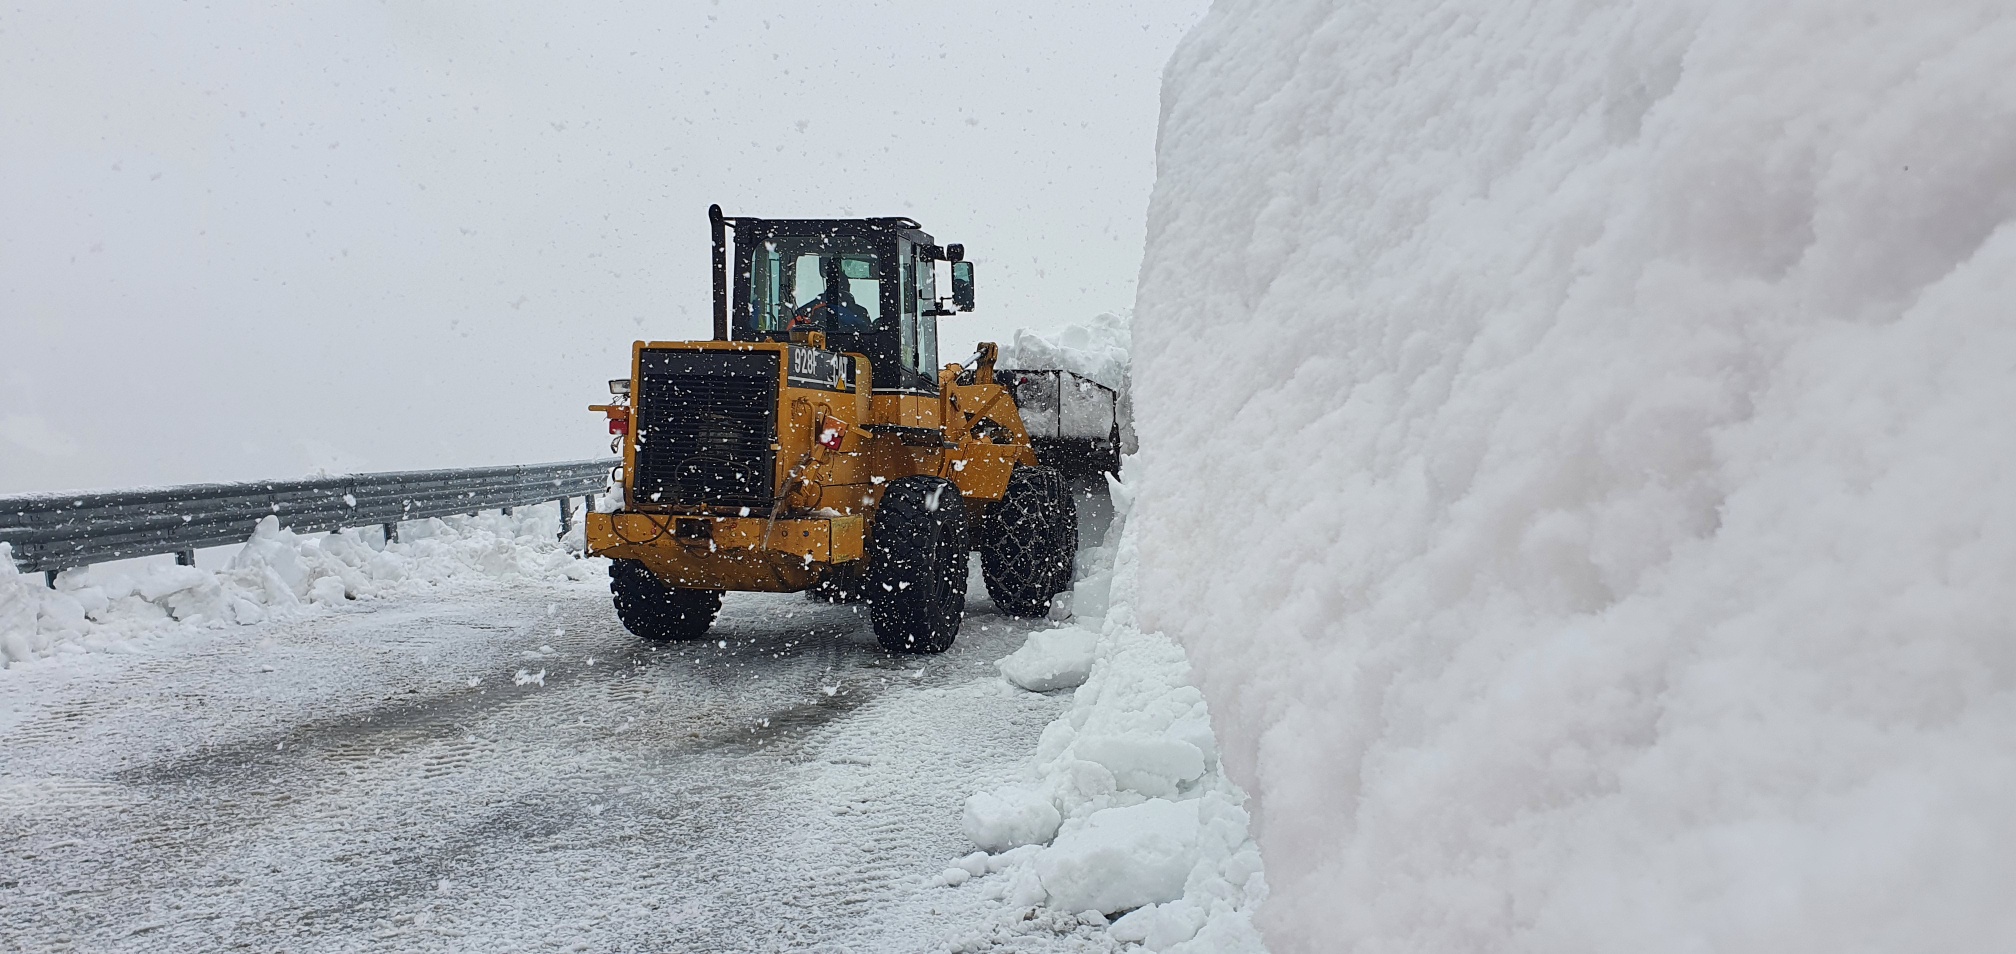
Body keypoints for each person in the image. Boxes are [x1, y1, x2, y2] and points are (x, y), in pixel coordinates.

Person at [789, 256, 876, 332]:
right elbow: (866, 329)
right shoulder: (860, 312)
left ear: (827, 284)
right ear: (848, 286)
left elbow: (790, 331)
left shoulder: (803, 311)